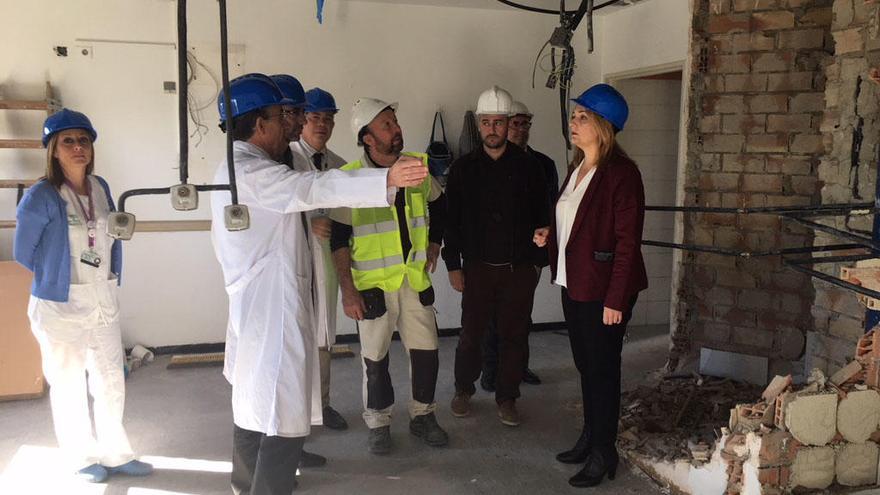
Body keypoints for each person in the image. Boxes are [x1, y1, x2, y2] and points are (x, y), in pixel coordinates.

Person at [210, 74, 428, 495]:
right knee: (279, 412)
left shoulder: (249, 165)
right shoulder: (251, 172)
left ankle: (245, 485)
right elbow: (308, 187)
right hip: (270, 312)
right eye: (282, 115)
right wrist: (386, 181)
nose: (291, 124)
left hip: (268, 306)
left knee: (259, 408)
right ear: (259, 124)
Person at [14, 109, 153, 483]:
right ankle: (81, 457)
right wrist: (60, 277)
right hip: (60, 305)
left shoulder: (100, 187)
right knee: (69, 384)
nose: (78, 147)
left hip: (102, 299)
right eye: (68, 141)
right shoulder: (40, 196)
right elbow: (23, 253)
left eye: (84, 140)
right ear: (53, 150)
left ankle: (115, 452)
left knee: (111, 379)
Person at [533, 83, 648, 488]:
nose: (574, 123)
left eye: (583, 117)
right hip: (575, 283)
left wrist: (616, 299)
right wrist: (553, 232)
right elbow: (580, 221)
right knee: (586, 366)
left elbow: (626, 241)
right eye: (574, 115)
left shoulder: (622, 174)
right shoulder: (578, 166)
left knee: (603, 370)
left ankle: (604, 453)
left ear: (603, 126)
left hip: (605, 292)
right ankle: (589, 437)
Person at [329, 98, 448, 454]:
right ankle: (378, 423)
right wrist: (348, 292)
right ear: (367, 138)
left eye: (395, 123)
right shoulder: (351, 179)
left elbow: (440, 204)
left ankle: (423, 416)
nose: (396, 130)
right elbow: (337, 240)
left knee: (427, 353)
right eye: (386, 126)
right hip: (374, 287)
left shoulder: (417, 167)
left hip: (413, 281)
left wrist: (436, 244)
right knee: (375, 360)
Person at [443, 86, 549, 427]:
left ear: (508, 124)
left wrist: (535, 264)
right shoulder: (462, 170)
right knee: (471, 334)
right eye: (486, 122)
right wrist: (454, 266)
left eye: (499, 122)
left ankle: (507, 397)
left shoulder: (530, 168)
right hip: (477, 268)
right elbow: (452, 222)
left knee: (513, 336)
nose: (493, 129)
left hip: (518, 269)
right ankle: (463, 389)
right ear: (479, 124)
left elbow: (544, 217)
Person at [479, 99, 559, 392]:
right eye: (515, 123)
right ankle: (490, 371)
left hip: (530, 255)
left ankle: (518, 366)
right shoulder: (486, 163)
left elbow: (553, 209)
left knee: (521, 313)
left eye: (526, 123)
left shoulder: (544, 165)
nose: (521, 129)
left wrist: (546, 250)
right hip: (494, 255)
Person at [288, 87, 349, 431]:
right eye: (314, 117)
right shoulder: (288, 160)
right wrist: (310, 223)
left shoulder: (338, 166)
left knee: (325, 336)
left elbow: (345, 222)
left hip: (326, 264)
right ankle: (295, 414)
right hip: (296, 261)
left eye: (328, 118)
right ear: (301, 119)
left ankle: (322, 406)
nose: (321, 124)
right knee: (296, 339)